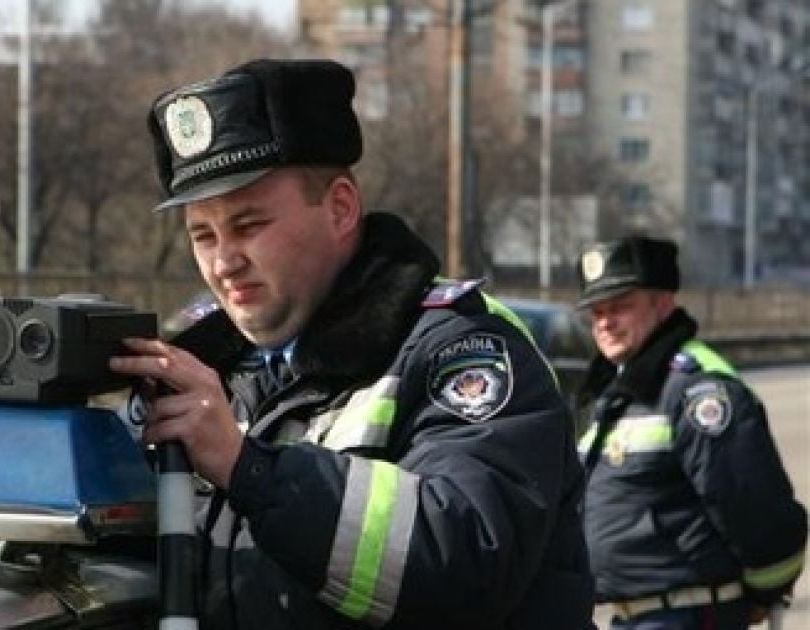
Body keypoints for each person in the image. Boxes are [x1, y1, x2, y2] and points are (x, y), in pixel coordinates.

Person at [109, 58, 593, 629]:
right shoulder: (206, 370)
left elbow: (465, 559)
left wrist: (249, 468)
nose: (223, 261)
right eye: (202, 235)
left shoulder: (462, 349)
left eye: (248, 226)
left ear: (340, 209)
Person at [573, 236, 807, 629]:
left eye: (621, 307)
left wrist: (765, 592)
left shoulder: (699, 392)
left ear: (662, 304)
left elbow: (754, 507)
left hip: (689, 613)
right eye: (597, 312)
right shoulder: (615, 391)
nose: (605, 323)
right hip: (637, 615)